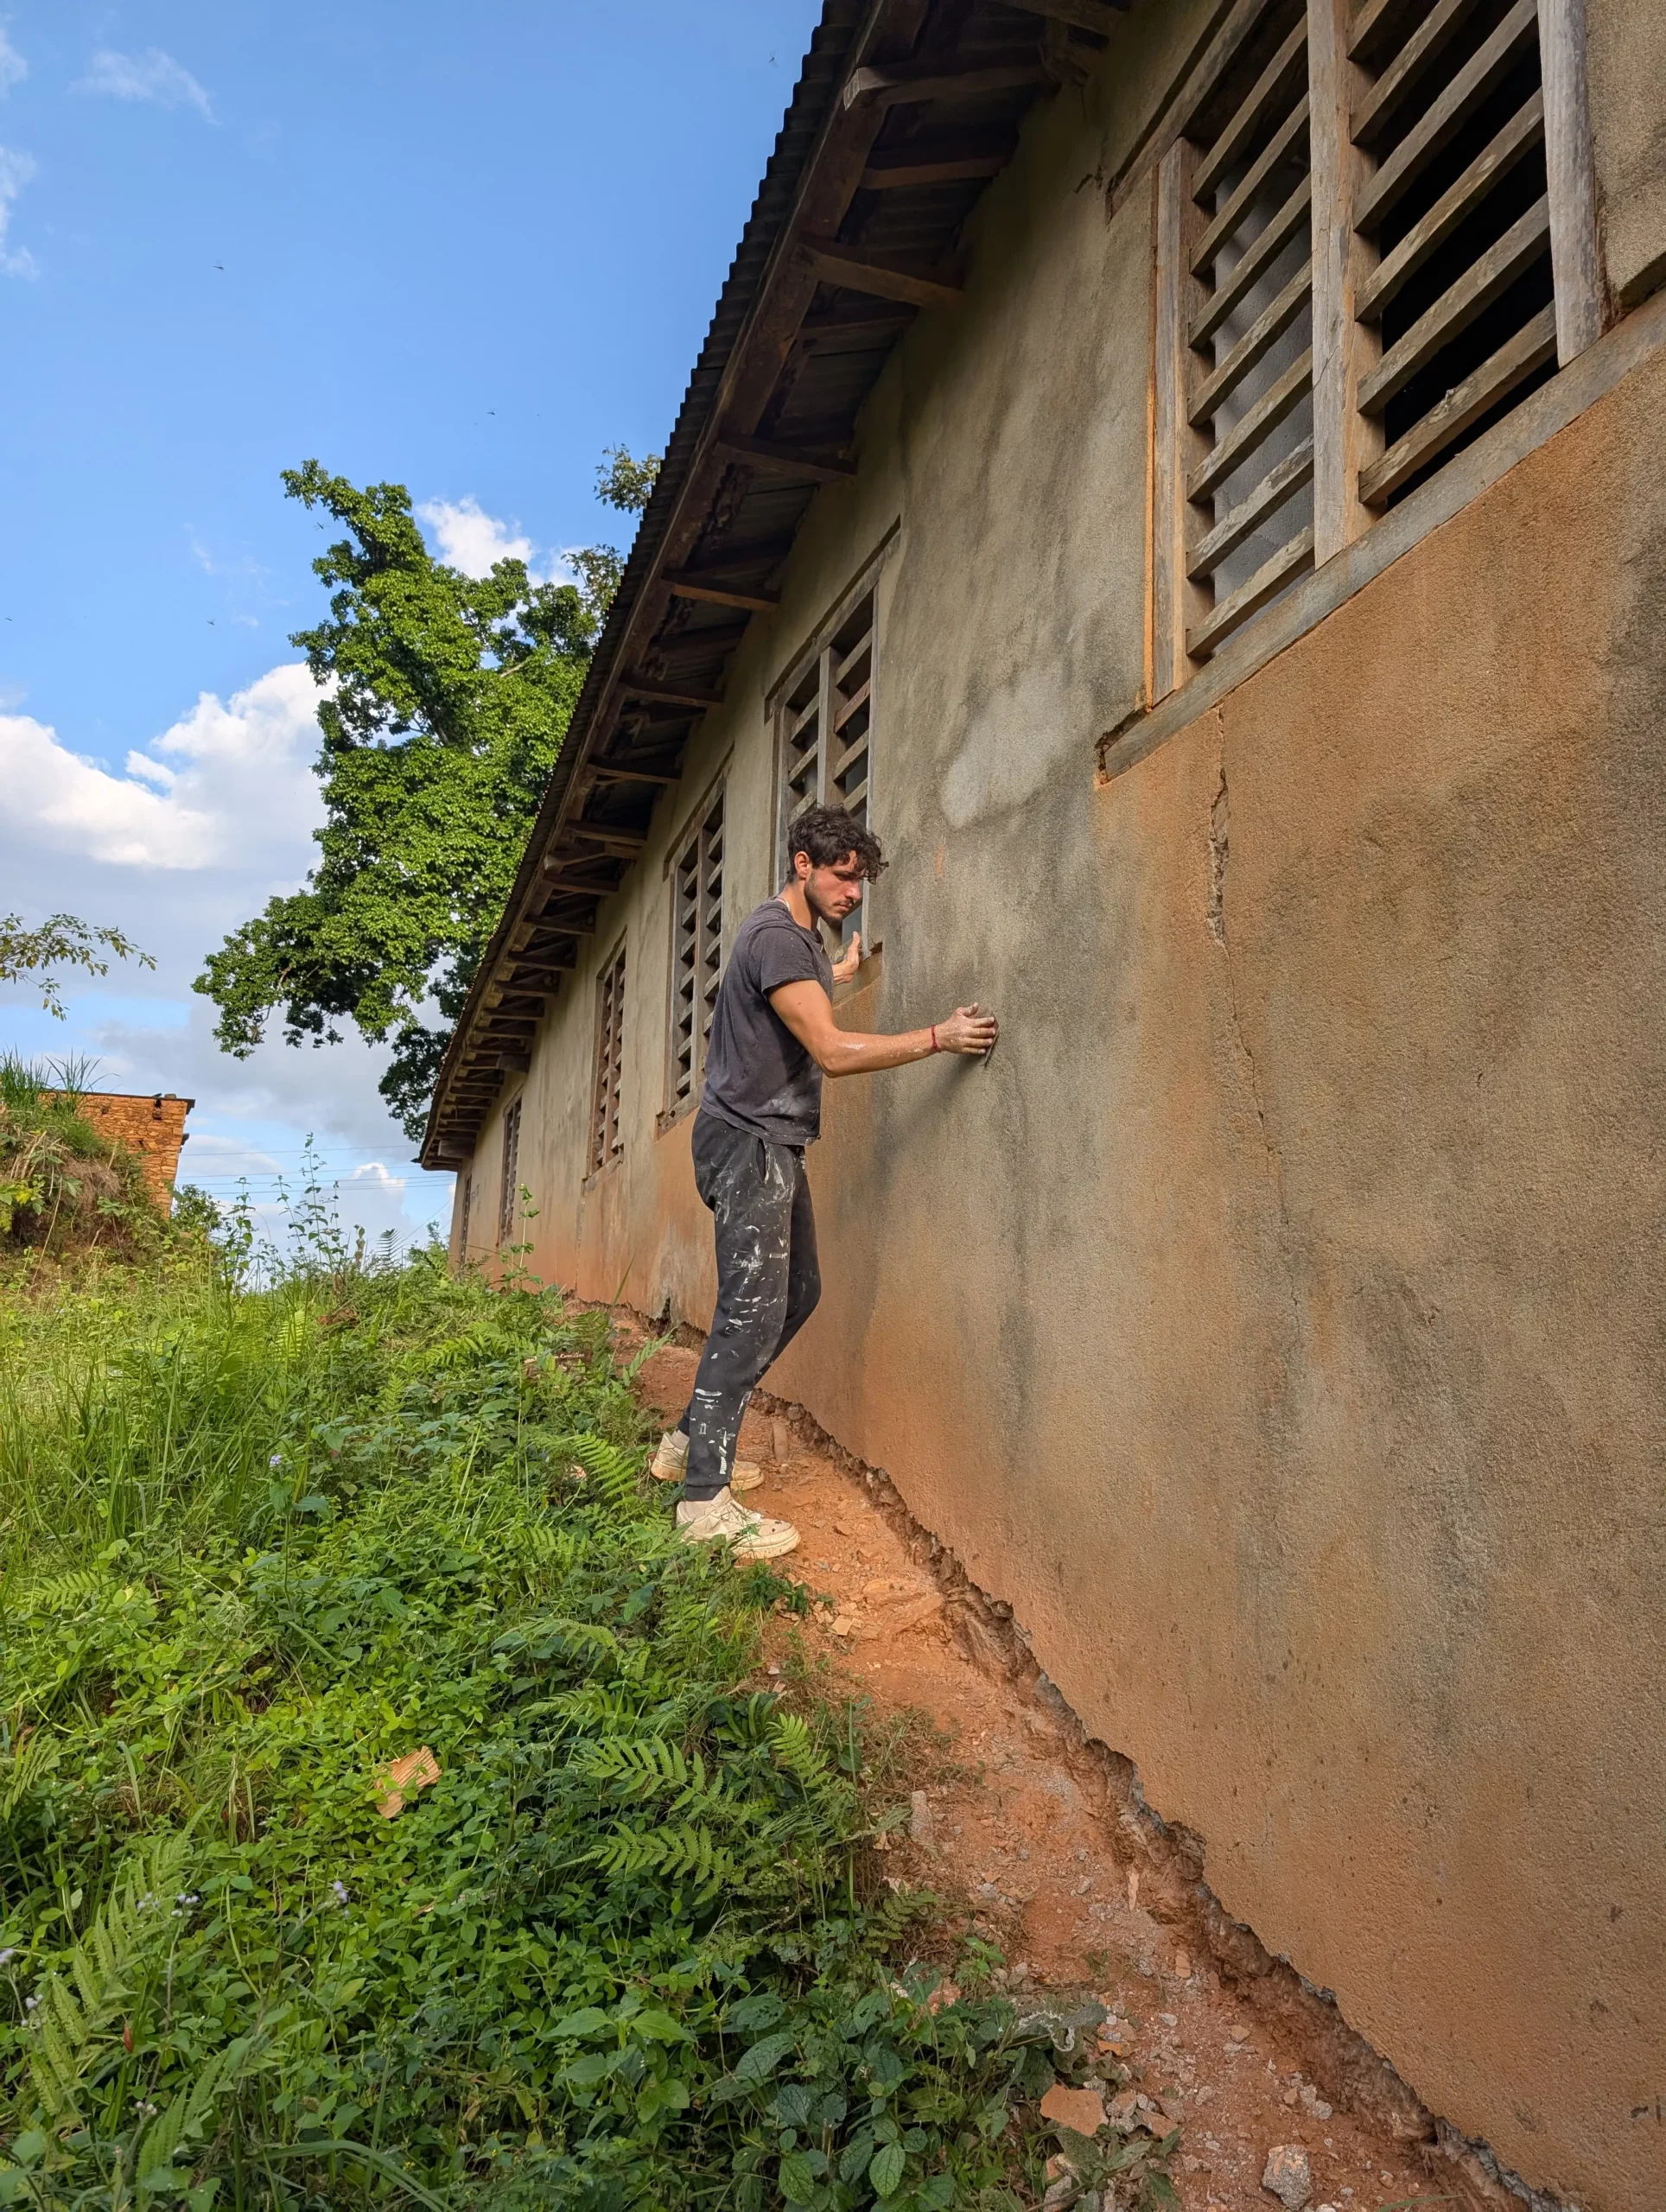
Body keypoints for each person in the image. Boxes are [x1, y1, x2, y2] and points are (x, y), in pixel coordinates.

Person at [653, 804, 998, 1558]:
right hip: (750, 1142)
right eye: (843, 878)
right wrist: (939, 1037)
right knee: (749, 1313)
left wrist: (835, 970)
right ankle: (703, 1503)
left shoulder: (799, 942)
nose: (853, 894)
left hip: (766, 1140)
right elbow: (833, 1051)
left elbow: (801, 994)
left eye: (861, 882)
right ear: (802, 865)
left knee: (797, 1291)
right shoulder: (779, 939)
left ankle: (689, 1442)